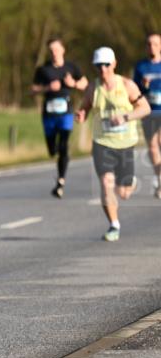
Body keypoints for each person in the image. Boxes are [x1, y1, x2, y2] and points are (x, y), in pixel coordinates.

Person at [76, 47, 151, 241]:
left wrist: (125, 117)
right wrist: (81, 114)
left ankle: (129, 183)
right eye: (98, 65)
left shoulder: (127, 85)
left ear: (114, 64)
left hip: (125, 143)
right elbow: (84, 107)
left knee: (124, 193)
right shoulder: (93, 88)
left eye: (106, 65)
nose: (103, 69)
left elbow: (145, 108)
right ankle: (114, 225)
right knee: (106, 184)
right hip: (102, 142)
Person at [31, 38, 89, 198]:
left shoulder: (71, 67)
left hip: (66, 112)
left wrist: (73, 83)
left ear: (63, 50)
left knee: (63, 145)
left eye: (56, 49)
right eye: (51, 50)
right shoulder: (43, 70)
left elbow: (85, 84)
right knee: (52, 149)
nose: (54, 53)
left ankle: (61, 181)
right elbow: (33, 90)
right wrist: (47, 88)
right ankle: (55, 152)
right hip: (49, 114)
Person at [133, 32, 161, 199]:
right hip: (148, 110)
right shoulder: (141, 67)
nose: (152, 47)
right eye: (149, 44)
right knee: (151, 146)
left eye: (155, 44)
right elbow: (134, 90)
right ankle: (159, 179)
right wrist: (142, 86)